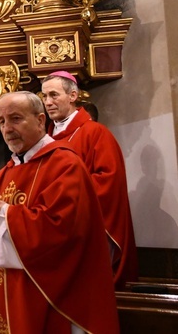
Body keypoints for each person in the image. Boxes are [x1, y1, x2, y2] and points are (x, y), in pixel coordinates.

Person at [0, 91, 119, 333]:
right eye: (2, 121)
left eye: (15, 119)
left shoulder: (65, 165)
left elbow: (62, 227)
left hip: (44, 294)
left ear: (40, 120)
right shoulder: (6, 172)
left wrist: (6, 216)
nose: (7, 129)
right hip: (5, 292)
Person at [41, 70, 138, 289]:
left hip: (83, 231)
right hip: (51, 231)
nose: (48, 102)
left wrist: (63, 197)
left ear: (73, 96)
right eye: (44, 97)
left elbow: (108, 182)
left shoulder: (95, 133)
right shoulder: (45, 140)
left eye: (54, 95)